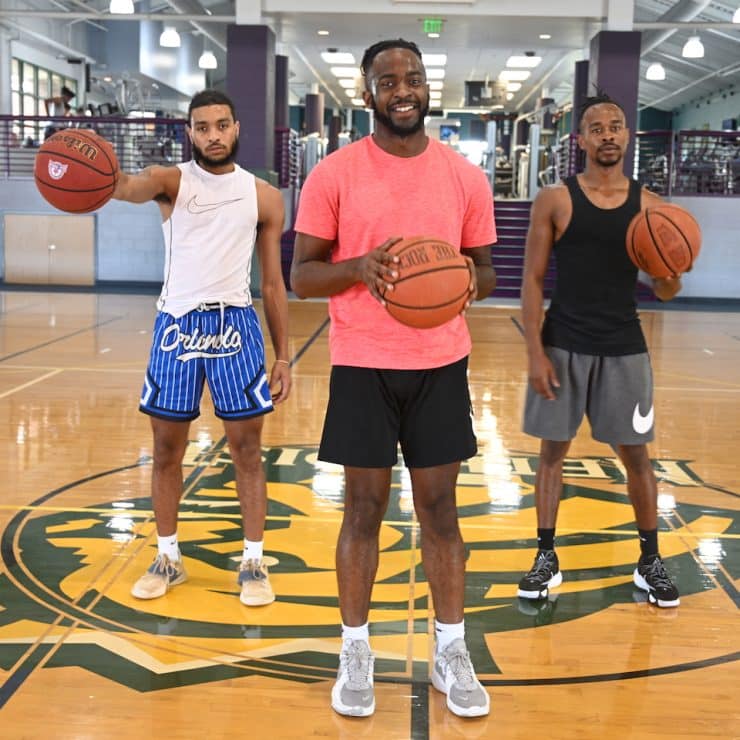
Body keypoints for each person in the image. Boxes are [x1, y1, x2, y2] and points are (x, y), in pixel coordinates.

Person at [291, 39, 496, 719]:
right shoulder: (335, 174)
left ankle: (451, 648)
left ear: (425, 87)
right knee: (362, 510)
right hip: (361, 363)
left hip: (441, 362)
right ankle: (356, 649)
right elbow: (303, 275)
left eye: (412, 78)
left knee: (441, 511)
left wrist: (466, 279)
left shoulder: (464, 177)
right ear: (367, 91)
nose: (402, 89)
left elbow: (486, 271)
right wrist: (360, 269)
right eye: (388, 80)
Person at [111, 89, 291, 606]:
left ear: (236, 129)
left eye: (221, 125)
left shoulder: (263, 196)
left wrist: (283, 356)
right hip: (176, 325)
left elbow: (274, 285)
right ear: (189, 133)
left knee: (248, 451)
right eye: (202, 127)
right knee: (167, 450)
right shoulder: (171, 181)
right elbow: (126, 187)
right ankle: (168, 556)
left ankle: (253, 563)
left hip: (235, 324)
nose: (212, 135)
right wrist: (98, 169)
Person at [519, 93, 682, 609]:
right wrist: (534, 353)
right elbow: (531, 278)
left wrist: (672, 267)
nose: (608, 134)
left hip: (624, 347)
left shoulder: (652, 207)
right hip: (563, 343)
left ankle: (649, 558)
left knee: (637, 458)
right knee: (552, 454)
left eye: (616, 126)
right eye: (597, 127)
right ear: (581, 140)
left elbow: (665, 291)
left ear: (627, 136)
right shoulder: (556, 199)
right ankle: (546, 554)